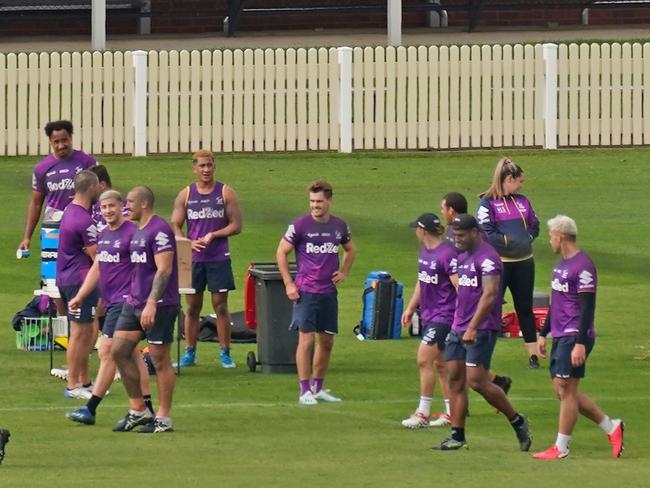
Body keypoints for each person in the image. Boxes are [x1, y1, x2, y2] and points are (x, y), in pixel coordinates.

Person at [434, 214, 531, 451]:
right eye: (454, 235)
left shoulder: (488, 258)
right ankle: (457, 436)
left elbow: (490, 295)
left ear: (475, 232)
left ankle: (517, 420)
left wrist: (473, 327)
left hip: (481, 329)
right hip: (459, 327)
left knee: (476, 380)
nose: (456, 240)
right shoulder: (463, 255)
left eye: (461, 235)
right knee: (455, 379)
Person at [532, 215, 623, 460]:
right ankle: (611, 426)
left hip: (575, 335)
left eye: (551, 236)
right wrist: (543, 333)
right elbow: (556, 303)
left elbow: (587, 308)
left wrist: (581, 343)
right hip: (560, 334)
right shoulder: (561, 265)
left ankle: (561, 447)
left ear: (560, 237)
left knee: (567, 389)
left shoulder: (583, 266)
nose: (549, 240)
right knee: (561, 390)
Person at [65, 190, 154, 425]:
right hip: (113, 300)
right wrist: (82, 295)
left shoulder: (133, 234)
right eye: (103, 208)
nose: (107, 211)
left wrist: (141, 297)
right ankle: (147, 407)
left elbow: (144, 267)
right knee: (132, 355)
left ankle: (91, 408)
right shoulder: (104, 234)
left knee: (107, 350)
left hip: (127, 302)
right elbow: (99, 268)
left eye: (111, 206)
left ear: (121, 206)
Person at [277, 180, 356, 405]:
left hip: (328, 292)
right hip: (307, 291)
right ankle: (304, 390)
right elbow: (281, 252)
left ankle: (318, 387)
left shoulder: (339, 226)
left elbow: (350, 250)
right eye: (312, 201)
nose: (315, 206)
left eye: (319, 201)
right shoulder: (300, 225)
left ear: (329, 201)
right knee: (306, 340)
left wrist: (344, 272)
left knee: (327, 341)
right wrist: (288, 283)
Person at [111, 186, 179, 433]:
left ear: (144, 204)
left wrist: (151, 302)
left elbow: (164, 270)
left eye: (129, 202)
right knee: (118, 350)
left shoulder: (159, 230)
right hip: (134, 302)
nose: (125, 206)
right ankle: (139, 410)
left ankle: (164, 418)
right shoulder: (139, 230)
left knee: (160, 360)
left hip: (158, 304)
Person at [171, 150, 242, 368]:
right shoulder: (186, 194)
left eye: (209, 165)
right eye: (201, 166)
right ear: (194, 168)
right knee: (192, 308)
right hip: (194, 258)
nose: (206, 170)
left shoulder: (225, 192)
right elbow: (174, 224)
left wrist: (215, 234)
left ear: (214, 166)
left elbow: (236, 225)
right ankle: (189, 353)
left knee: (220, 306)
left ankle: (225, 353)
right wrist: (188, 243)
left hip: (219, 257)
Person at [441, 191, 513, 396]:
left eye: (443, 208)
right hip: (465, 305)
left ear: (451, 210)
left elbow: (460, 272)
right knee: (456, 363)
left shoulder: (455, 235)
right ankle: (496, 382)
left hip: (465, 308)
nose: (442, 212)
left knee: (446, 361)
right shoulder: (476, 233)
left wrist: (461, 296)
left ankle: (456, 406)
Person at [476, 158, 540, 368]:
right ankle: (483, 354)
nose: (521, 185)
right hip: (499, 264)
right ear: (509, 179)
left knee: (525, 308)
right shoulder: (487, 203)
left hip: (524, 263)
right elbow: (487, 231)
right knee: (492, 307)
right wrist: (509, 243)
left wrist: (526, 240)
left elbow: (534, 225)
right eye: (519, 181)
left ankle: (533, 356)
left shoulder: (523, 201)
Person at [401, 213, 456, 429]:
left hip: (444, 316)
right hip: (429, 314)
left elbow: (460, 286)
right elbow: (421, 281)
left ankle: (422, 414)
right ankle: (451, 413)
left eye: (417, 228)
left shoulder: (447, 254)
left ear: (423, 230)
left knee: (424, 359)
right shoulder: (424, 251)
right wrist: (411, 307)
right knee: (441, 365)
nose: (415, 231)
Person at [19, 120, 96, 252]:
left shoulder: (87, 162)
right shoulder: (41, 169)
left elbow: (100, 193)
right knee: (50, 270)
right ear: (50, 142)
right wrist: (27, 237)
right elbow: (36, 203)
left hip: (81, 226)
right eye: (56, 142)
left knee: (82, 270)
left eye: (64, 140)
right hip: (52, 228)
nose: (61, 145)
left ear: (71, 138)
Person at [56, 170, 100, 399]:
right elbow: (98, 258)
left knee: (86, 330)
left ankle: (84, 380)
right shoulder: (85, 221)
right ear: (92, 187)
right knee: (80, 332)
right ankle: (73, 385)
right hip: (79, 280)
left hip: (66, 277)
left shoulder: (69, 211)